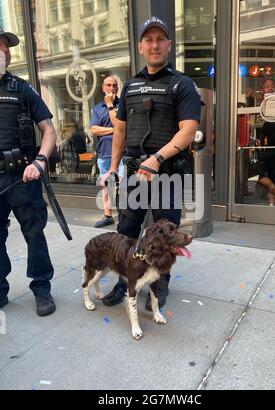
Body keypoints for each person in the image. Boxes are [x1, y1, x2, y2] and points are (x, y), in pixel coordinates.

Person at [101, 16, 200, 308]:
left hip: (166, 173)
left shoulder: (181, 84)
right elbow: (120, 129)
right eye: (149, 40)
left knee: (165, 234)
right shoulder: (130, 85)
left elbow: (189, 129)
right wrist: (112, 167)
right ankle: (125, 282)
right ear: (140, 46)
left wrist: (157, 158)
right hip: (134, 173)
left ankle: (159, 289)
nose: (154, 45)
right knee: (126, 231)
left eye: (160, 39)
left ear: (169, 45)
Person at [0, 27, 57, 316]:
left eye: (3, 47)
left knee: (35, 233)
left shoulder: (22, 89)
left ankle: (42, 287)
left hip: (24, 175)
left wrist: (40, 161)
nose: (2, 51)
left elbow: (48, 130)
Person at [90, 76, 124, 228]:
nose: (112, 88)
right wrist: (115, 130)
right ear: (103, 88)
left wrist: (110, 104)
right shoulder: (97, 108)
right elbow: (94, 129)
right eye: (108, 85)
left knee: (123, 186)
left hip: (121, 155)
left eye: (114, 85)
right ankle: (108, 215)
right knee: (106, 187)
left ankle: (125, 216)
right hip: (103, 154)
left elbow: (120, 124)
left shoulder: (122, 105)